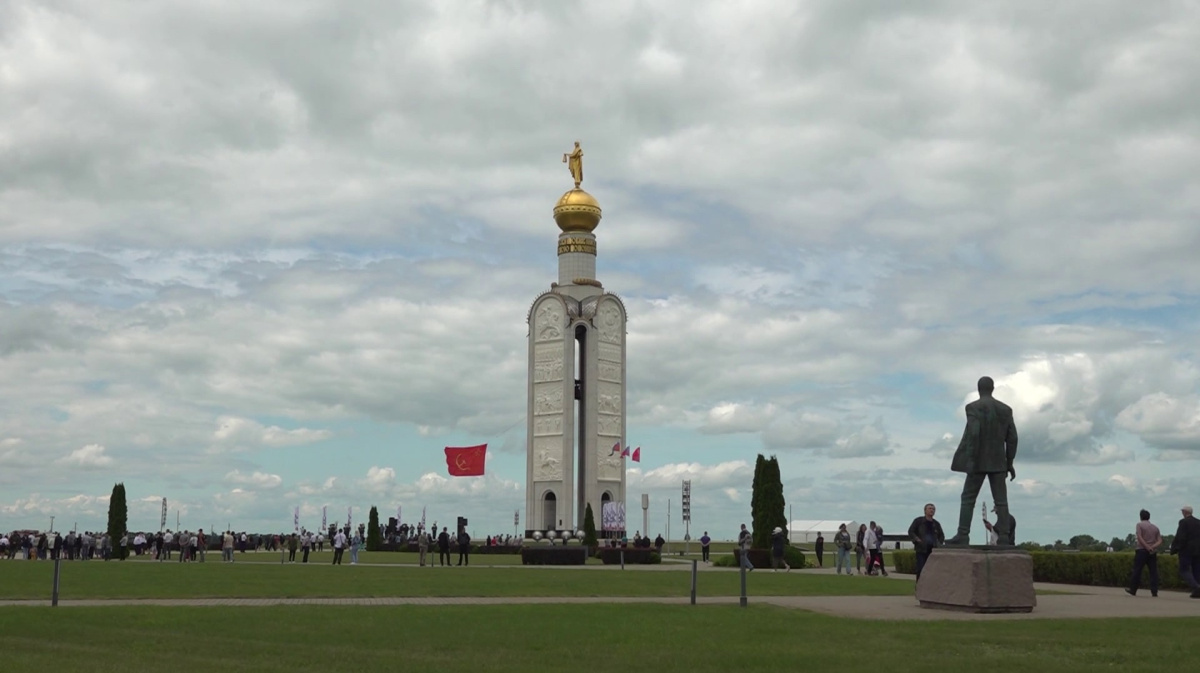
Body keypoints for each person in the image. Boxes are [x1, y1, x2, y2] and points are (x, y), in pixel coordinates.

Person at [948, 376, 1018, 545]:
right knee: (1001, 501)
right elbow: (1013, 438)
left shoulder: (973, 408)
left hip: (978, 462)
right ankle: (1004, 536)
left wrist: (971, 461)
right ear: (992, 388)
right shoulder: (1005, 410)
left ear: (979, 389)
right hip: (999, 462)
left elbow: (973, 434)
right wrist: (1009, 462)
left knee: (968, 498)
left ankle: (963, 534)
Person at [1125, 509, 1162, 597]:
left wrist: (1146, 546)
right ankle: (1154, 591)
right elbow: (1160, 540)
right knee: (1153, 571)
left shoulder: (1139, 525)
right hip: (1152, 552)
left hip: (1141, 550)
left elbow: (1140, 537)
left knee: (1137, 570)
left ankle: (1133, 589)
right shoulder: (1155, 527)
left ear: (1141, 517)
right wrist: (1152, 547)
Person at [1168, 505, 1200, 598]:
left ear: (1185, 512)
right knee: (1197, 571)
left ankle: (1196, 587)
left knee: (1184, 570)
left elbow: (1181, 537)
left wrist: (1175, 548)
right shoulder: (1198, 522)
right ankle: (1197, 591)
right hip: (1198, 550)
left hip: (1186, 550)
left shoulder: (1183, 522)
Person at [908, 503, 945, 581]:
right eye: (930, 508)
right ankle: (919, 587)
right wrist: (917, 539)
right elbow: (911, 531)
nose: (932, 510)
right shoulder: (918, 521)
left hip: (933, 551)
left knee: (932, 571)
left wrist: (939, 544)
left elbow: (941, 535)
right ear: (925, 510)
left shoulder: (936, 524)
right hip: (921, 550)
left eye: (933, 509)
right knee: (921, 569)